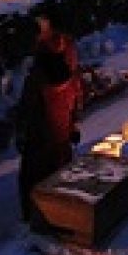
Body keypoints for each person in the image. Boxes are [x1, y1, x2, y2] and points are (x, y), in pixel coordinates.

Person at [15, 45, 81, 221]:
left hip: (42, 142)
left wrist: (21, 134)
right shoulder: (69, 78)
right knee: (57, 179)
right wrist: (73, 126)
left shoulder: (36, 82)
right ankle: (56, 216)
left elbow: (25, 110)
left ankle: (37, 219)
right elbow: (74, 104)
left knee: (36, 182)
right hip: (58, 139)